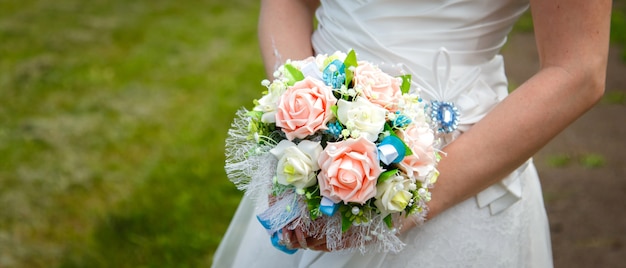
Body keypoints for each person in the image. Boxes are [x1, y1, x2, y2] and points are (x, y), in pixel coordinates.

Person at [213, 0, 611, 267]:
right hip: (306, 167)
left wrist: (394, 207)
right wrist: (306, 127)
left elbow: (577, 71)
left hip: (459, 178)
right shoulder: (308, 144)